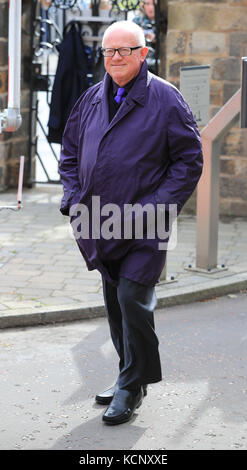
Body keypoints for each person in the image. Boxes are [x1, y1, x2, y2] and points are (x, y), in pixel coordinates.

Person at [59, 20, 203, 425]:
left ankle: (131, 385)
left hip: (145, 223)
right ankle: (130, 375)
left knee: (132, 301)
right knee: (113, 300)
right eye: (109, 51)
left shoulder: (166, 98)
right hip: (99, 222)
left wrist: (157, 207)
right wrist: (72, 197)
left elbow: (189, 161)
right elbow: (69, 153)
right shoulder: (90, 98)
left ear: (143, 53)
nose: (116, 58)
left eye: (125, 50)